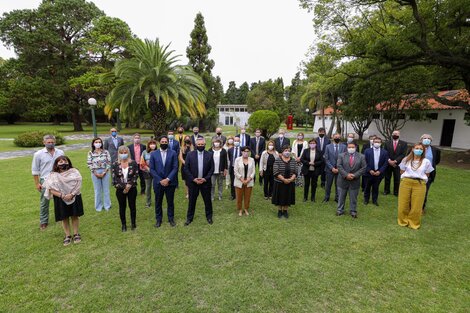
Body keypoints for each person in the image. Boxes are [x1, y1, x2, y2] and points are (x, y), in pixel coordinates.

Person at [42, 156, 83, 246]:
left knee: (74, 215)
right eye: (59, 162)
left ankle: (76, 234)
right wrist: (63, 196)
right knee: (64, 217)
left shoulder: (75, 172)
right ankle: (67, 235)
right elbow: (50, 189)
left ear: (68, 162)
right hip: (60, 198)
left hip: (74, 196)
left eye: (64, 160)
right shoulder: (52, 175)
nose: (62, 163)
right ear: (56, 164)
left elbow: (79, 184)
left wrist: (72, 194)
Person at [397, 143, 434, 229]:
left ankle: (413, 223)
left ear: (423, 151)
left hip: (419, 184)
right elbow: (401, 171)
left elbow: (427, 174)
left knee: (417, 205)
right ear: (413, 149)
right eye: (417, 148)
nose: (419, 150)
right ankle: (403, 221)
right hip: (406, 182)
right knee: (403, 203)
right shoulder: (406, 160)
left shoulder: (426, 161)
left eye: (421, 149)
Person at [32, 134, 64, 230]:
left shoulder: (60, 152)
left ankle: (61, 217)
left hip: (58, 178)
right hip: (45, 180)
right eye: (48, 142)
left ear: (55, 142)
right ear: (44, 143)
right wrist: (37, 183)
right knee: (44, 202)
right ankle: (43, 221)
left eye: (52, 142)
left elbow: (64, 165)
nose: (50, 144)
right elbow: (35, 170)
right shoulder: (38, 154)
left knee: (60, 199)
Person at [184, 137, 215, 225]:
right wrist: (193, 179)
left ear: (205, 145)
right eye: (199, 144)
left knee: (207, 201)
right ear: (196, 145)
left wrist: (205, 178)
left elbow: (212, 169)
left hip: (205, 182)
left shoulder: (209, 154)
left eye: (202, 144)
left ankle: (209, 217)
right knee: (192, 201)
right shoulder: (190, 154)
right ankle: (189, 218)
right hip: (193, 183)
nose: (200, 146)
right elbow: (186, 169)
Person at [150, 136, 179, 228]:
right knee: (158, 202)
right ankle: (158, 220)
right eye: (162, 141)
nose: (164, 143)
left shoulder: (173, 153)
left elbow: (175, 167)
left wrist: (168, 179)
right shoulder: (154, 154)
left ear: (167, 143)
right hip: (158, 183)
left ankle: (171, 219)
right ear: (159, 143)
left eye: (165, 141)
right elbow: (152, 169)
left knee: (170, 202)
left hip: (170, 182)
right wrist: (160, 180)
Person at [336, 142, 367, 218]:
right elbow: (339, 166)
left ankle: (353, 211)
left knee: (353, 197)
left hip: (354, 180)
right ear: (347, 148)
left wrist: (355, 175)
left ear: (356, 148)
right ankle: (340, 210)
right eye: (349, 147)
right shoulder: (341, 155)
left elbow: (364, 168)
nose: (351, 148)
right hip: (343, 180)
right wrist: (346, 175)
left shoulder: (361, 156)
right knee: (341, 197)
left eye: (353, 147)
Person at [111, 146, 139, 232]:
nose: (124, 154)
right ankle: (123, 224)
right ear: (119, 153)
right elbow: (114, 178)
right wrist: (124, 186)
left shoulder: (133, 163)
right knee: (122, 207)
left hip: (132, 188)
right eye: (122, 153)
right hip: (120, 190)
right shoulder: (115, 164)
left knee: (132, 206)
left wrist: (129, 185)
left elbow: (136, 175)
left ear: (128, 153)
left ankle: (133, 223)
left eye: (125, 152)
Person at [87, 137, 111, 212]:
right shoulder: (90, 153)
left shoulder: (106, 152)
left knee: (106, 189)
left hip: (105, 171)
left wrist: (104, 172)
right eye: (96, 142)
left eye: (99, 142)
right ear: (93, 144)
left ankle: (107, 205)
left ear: (101, 143)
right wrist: (95, 173)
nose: (98, 144)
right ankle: (98, 207)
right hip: (95, 172)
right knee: (97, 190)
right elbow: (89, 163)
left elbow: (109, 162)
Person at [272, 145, 297, 218]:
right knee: (280, 196)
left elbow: (296, 171)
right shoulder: (277, 160)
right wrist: (283, 179)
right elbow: (275, 171)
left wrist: (291, 179)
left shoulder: (293, 160)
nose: (287, 152)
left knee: (288, 196)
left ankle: (285, 211)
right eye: (285, 150)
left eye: (289, 150)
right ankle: (279, 210)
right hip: (279, 182)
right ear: (282, 151)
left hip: (290, 182)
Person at [363, 137, 389, 206]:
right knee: (367, 187)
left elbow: (385, 163)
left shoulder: (385, 152)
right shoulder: (367, 151)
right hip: (369, 173)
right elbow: (364, 162)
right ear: (373, 142)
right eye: (375, 142)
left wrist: (380, 171)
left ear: (381, 143)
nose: (377, 143)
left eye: (378, 142)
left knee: (376, 187)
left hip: (378, 173)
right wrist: (369, 170)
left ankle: (374, 200)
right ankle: (366, 200)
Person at [420, 134, 441, 213]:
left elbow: (436, 161)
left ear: (431, 141)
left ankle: (422, 207)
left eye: (429, 138)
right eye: (425, 138)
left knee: (425, 191)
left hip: (428, 175)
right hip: (416, 174)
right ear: (421, 140)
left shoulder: (436, 150)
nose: (427, 139)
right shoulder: (416, 148)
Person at [323, 133, 346, 203]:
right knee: (328, 185)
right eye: (336, 137)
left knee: (338, 185)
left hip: (339, 169)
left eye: (338, 137)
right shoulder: (327, 146)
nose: (337, 138)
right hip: (330, 169)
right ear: (332, 137)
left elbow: (345, 158)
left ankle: (337, 198)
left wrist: (339, 168)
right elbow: (326, 159)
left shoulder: (344, 147)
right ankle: (326, 197)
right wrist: (332, 168)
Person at [384, 130, 408, 196]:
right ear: (392, 135)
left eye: (396, 134)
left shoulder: (404, 144)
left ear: (399, 135)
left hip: (398, 164)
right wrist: (389, 161)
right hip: (388, 163)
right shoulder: (387, 143)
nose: (395, 135)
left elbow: (403, 154)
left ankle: (396, 191)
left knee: (397, 178)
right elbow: (385, 153)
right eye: (394, 133)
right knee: (387, 178)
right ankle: (386, 190)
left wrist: (395, 161)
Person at [140, 139, 157, 208]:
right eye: (151, 143)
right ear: (148, 145)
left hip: (156, 173)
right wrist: (149, 169)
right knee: (148, 187)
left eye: (154, 143)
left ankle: (157, 201)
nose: (152, 145)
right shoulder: (144, 152)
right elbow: (142, 163)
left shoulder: (158, 152)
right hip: (147, 172)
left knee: (156, 188)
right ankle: (148, 202)